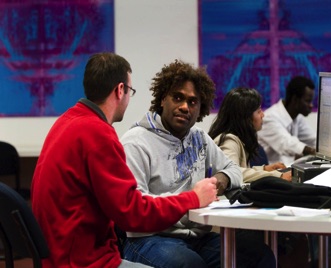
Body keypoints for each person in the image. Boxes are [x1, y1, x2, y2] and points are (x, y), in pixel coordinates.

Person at [31, 52, 219, 268]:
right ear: (120, 90)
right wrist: (193, 198)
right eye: (130, 91)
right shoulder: (98, 133)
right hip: (81, 260)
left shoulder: (67, 121)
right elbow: (133, 213)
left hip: (60, 252)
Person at [119, 59, 276, 267]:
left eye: (193, 102)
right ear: (162, 99)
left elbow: (234, 170)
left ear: (201, 108)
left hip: (196, 237)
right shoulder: (136, 141)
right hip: (148, 238)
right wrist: (191, 198)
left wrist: (219, 181)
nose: (185, 107)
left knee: (259, 254)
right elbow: (136, 208)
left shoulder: (199, 138)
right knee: (191, 264)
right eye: (178, 98)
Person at [208, 87, 292, 182]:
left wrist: (264, 169)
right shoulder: (229, 140)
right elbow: (231, 172)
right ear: (246, 117)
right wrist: (277, 175)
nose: (263, 115)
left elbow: (239, 170)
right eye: (259, 111)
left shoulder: (237, 138)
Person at [258, 76, 316, 165]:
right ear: (295, 99)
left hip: (285, 170)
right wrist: (313, 151)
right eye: (308, 101)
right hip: (270, 173)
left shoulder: (297, 118)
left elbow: (313, 139)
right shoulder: (270, 118)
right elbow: (287, 143)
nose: (311, 105)